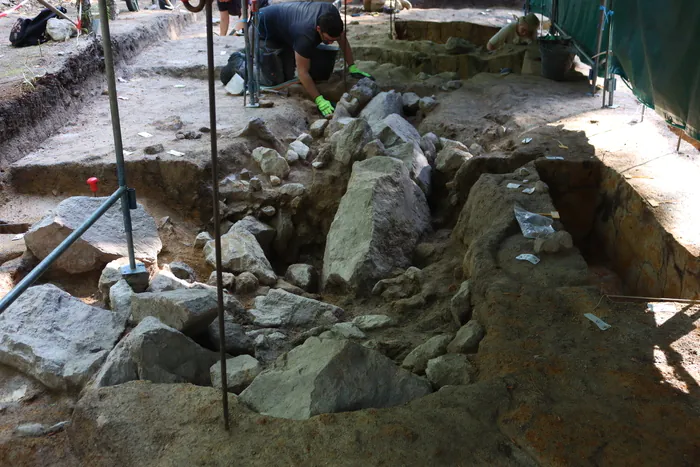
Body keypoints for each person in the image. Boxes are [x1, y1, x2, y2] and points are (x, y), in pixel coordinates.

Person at [257, 1, 374, 117]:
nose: (331, 42)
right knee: (276, 80)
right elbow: (302, 72)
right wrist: (319, 100)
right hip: (264, 26)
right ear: (318, 29)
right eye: (328, 40)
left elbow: (342, 40)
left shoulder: (333, 16)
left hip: (287, 27)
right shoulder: (305, 35)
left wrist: (352, 66)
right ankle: (242, 63)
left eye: (334, 40)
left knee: (290, 72)